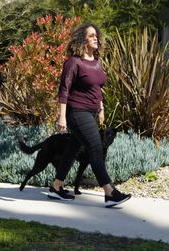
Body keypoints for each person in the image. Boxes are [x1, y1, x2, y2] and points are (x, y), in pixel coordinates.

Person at [49, 22, 131, 208]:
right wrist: (61, 116)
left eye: (97, 35)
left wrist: (100, 108)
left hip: (91, 111)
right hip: (76, 112)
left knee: (72, 149)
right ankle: (109, 192)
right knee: (95, 147)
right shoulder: (73, 62)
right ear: (82, 39)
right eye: (91, 35)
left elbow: (97, 88)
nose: (96, 38)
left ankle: (56, 187)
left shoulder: (97, 62)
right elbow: (64, 90)